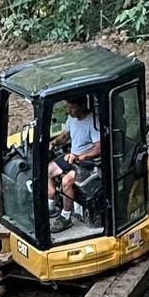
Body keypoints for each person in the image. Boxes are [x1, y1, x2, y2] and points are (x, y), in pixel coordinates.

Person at [49, 92, 102, 222]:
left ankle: (66, 217)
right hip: (72, 156)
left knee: (66, 181)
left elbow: (98, 147)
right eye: (68, 107)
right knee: (48, 170)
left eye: (72, 107)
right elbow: (65, 135)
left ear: (83, 105)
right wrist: (53, 143)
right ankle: (51, 202)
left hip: (88, 162)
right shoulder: (72, 118)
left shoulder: (93, 122)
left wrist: (80, 156)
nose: (69, 111)